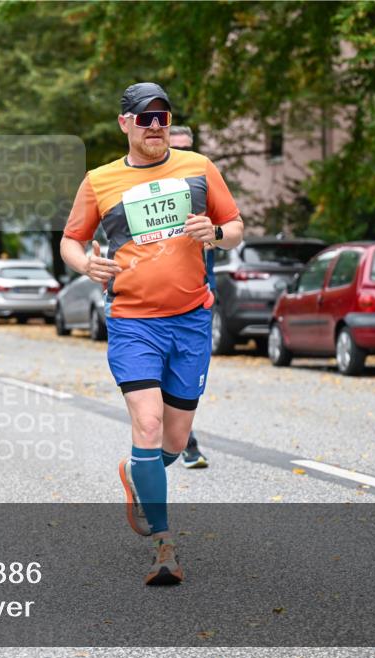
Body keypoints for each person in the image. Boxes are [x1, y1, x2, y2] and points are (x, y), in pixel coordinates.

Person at [60, 83, 243, 585]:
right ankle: (165, 546)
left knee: (174, 438)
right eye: (145, 118)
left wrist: (218, 235)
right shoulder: (100, 181)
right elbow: (71, 241)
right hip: (133, 322)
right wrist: (86, 265)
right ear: (125, 124)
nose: (155, 126)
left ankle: (136, 472)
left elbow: (236, 226)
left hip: (190, 320)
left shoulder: (199, 168)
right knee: (147, 422)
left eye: (162, 117)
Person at [168, 125, 210, 470]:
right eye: (176, 147)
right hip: (149, 304)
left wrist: (217, 234)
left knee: (186, 371)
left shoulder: (203, 181)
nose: (183, 153)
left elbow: (229, 226)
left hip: (196, 295)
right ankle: (181, 442)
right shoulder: (146, 189)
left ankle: (181, 439)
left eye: (187, 147)